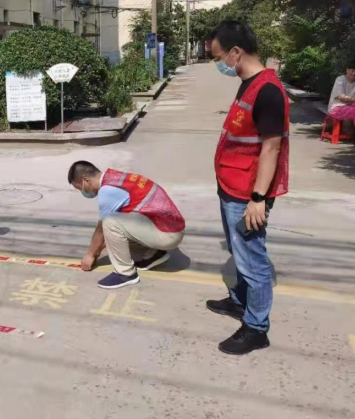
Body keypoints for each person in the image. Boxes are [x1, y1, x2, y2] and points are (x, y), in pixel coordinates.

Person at [207, 20, 289, 355]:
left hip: (247, 193)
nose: (219, 64)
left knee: (253, 262)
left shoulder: (267, 91)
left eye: (219, 57)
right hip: (231, 185)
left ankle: (256, 328)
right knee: (238, 251)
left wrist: (258, 199)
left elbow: (272, 147)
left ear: (236, 52)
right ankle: (240, 301)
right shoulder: (248, 83)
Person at [67, 161, 186, 290]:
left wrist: (90, 255)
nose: (83, 192)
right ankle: (151, 255)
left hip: (167, 234)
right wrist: (97, 251)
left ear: (86, 180)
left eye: (80, 188)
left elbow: (101, 231)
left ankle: (125, 274)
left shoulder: (107, 192)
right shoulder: (116, 177)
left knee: (110, 222)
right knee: (118, 224)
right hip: (170, 227)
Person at [327, 57, 355, 125]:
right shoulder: (340, 79)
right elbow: (342, 97)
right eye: (352, 70)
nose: (354, 73)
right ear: (347, 70)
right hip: (337, 108)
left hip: (350, 107)